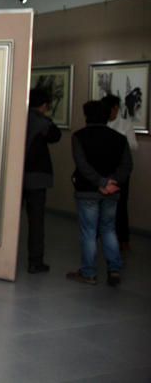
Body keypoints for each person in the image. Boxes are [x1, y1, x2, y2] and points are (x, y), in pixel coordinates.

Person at [67, 100, 132, 286]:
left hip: (87, 192)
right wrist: (111, 183)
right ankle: (114, 269)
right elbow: (127, 165)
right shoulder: (119, 138)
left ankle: (88, 273)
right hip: (112, 193)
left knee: (88, 232)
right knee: (108, 229)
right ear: (107, 116)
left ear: (86, 116)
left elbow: (82, 165)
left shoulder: (79, 137)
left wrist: (101, 182)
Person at [22, 88, 62, 273]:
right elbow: (56, 136)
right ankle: (35, 260)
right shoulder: (43, 122)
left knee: (8, 217)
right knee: (36, 220)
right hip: (36, 179)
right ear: (44, 105)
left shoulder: (19, 117)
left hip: (15, 177)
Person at [101, 94, 138, 252]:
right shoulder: (100, 124)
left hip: (120, 171)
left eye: (116, 109)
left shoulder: (124, 124)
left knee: (121, 205)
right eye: (111, 109)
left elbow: (134, 145)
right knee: (99, 203)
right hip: (101, 171)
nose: (113, 112)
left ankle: (123, 239)